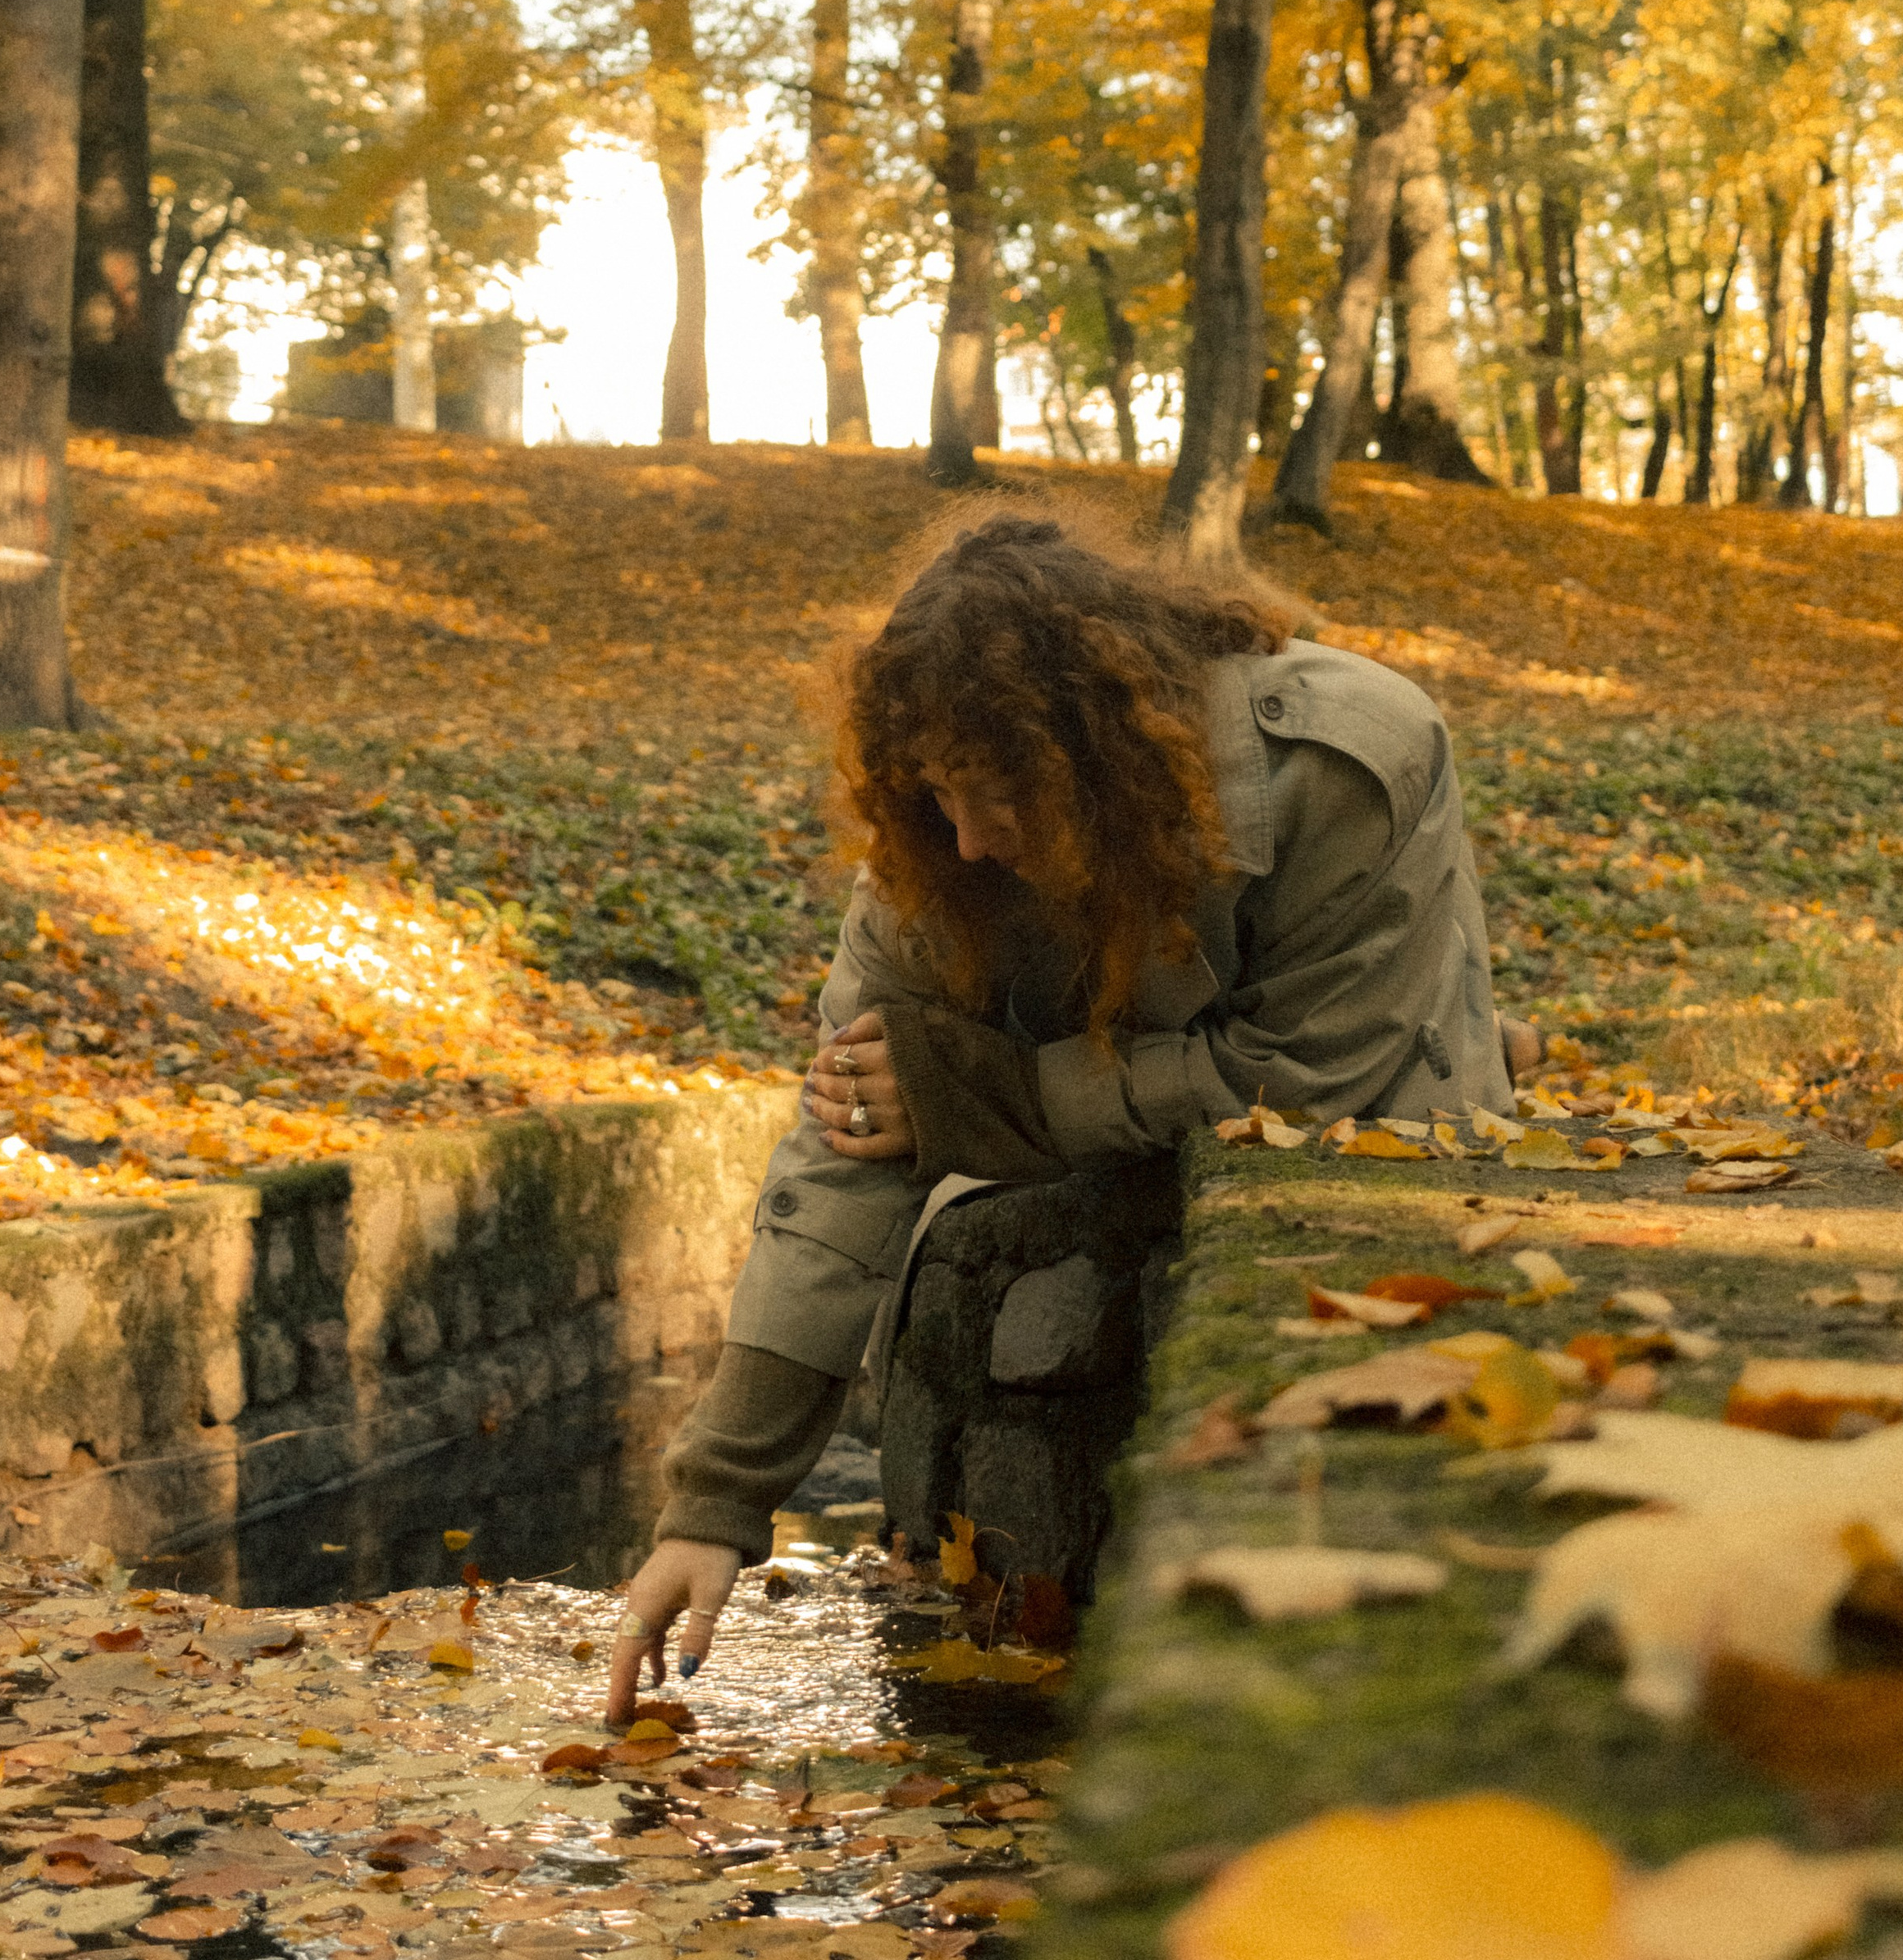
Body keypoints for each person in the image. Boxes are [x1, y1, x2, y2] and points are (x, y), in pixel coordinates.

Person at [605, 508, 1536, 1721]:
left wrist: (985, 1099)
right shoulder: (936, 860)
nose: (966, 839)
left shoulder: (1349, 762)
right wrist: (714, 1505)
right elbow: (844, 1146)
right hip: (1116, 1206)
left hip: (1381, 1207)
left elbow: (1317, 1077)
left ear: (1100, 761)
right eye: (937, 794)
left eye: (997, 796)